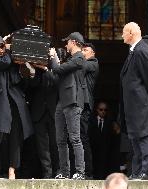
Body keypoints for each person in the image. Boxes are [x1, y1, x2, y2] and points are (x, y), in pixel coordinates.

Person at [0, 35, 33, 179]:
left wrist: (13, 49)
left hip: (14, 101)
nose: (0, 50)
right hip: (0, 102)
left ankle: (12, 169)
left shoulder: (9, 55)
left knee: (15, 136)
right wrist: (9, 48)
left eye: (2, 47)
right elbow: (5, 62)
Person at [120, 22, 148, 180]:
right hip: (133, 105)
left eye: (124, 32)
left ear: (131, 33)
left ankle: (145, 172)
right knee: (135, 138)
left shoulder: (142, 50)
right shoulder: (134, 50)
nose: (122, 35)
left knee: (144, 136)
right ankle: (136, 171)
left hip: (141, 103)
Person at [49, 32, 86, 180]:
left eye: (67, 42)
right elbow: (57, 75)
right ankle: (64, 172)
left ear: (74, 42)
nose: (66, 45)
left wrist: (52, 57)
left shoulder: (79, 58)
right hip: (63, 101)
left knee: (75, 138)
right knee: (60, 139)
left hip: (73, 101)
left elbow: (57, 70)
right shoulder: (71, 60)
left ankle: (80, 172)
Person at [80, 42, 99, 178]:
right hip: (80, 104)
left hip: (85, 105)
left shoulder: (92, 63)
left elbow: (79, 67)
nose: (82, 52)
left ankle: (88, 172)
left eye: (85, 50)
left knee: (83, 138)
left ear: (92, 53)